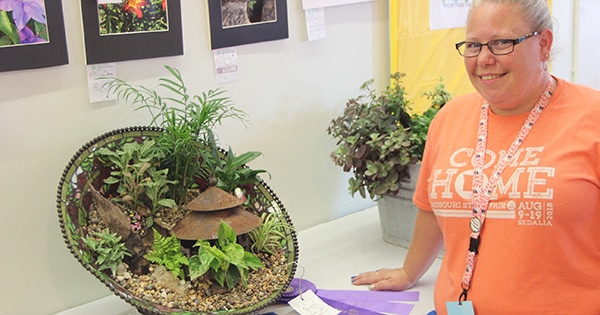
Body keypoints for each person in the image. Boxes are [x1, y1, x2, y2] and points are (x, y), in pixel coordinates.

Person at [351, 0, 600, 314]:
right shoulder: (450, 118)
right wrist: (409, 271)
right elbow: (432, 207)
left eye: (501, 43)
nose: (484, 59)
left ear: (543, 44)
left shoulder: (592, 118)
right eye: (473, 45)